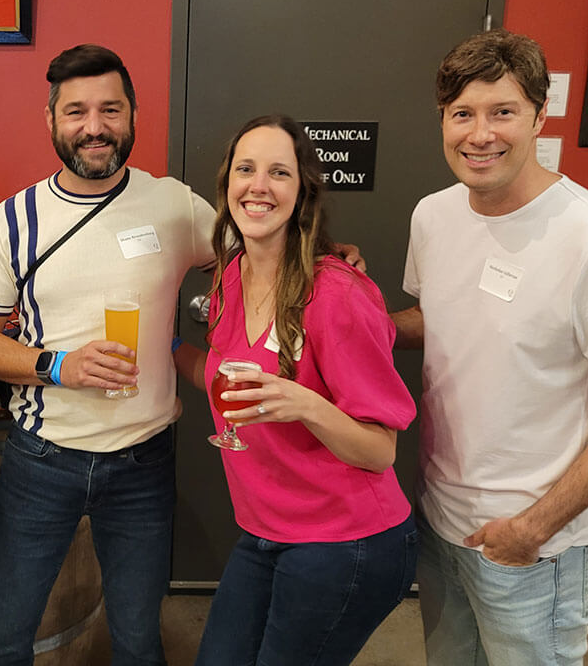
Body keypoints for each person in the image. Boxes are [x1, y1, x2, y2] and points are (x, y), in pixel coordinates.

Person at [391, 29, 588, 665]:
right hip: (440, 519)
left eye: (503, 112)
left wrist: (531, 529)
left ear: (540, 116)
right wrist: (346, 318)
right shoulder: (433, 215)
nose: (480, 134)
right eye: (463, 114)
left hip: (534, 546)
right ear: (443, 120)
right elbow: (443, 320)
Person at [0, 44, 217, 665]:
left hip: (144, 459)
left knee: (138, 639)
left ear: (133, 116)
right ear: (51, 119)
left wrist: (327, 259)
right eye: (76, 111)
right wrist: (57, 365)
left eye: (111, 110)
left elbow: (254, 256)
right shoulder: (14, 219)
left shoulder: (175, 204)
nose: (94, 127)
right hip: (42, 459)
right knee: (6, 637)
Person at [172, 114, 417, 665]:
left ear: (303, 190)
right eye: (246, 169)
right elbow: (221, 376)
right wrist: (159, 349)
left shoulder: (338, 295)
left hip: (347, 541)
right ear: (227, 185)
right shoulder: (230, 277)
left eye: (279, 172)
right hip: (265, 530)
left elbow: (380, 450)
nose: (258, 185)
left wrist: (306, 404)